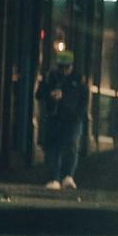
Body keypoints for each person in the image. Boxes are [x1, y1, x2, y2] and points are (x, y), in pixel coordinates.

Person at [36, 50, 89, 190]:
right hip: (55, 117)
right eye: (61, 67)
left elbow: (83, 98)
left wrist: (76, 111)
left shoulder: (78, 79)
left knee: (71, 146)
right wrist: (49, 95)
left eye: (67, 67)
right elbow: (39, 93)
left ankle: (68, 176)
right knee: (53, 148)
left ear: (71, 66)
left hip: (72, 119)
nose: (64, 70)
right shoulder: (50, 77)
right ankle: (54, 178)